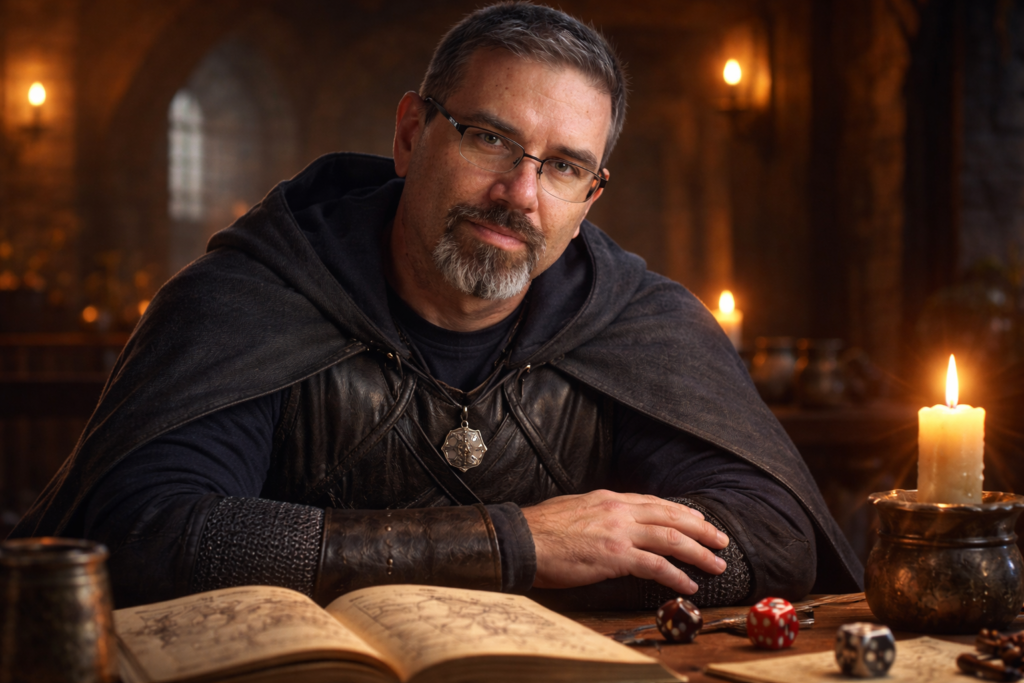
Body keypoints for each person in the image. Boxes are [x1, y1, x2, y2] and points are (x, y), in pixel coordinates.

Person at [10, 2, 862, 609]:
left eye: (563, 166)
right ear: (414, 134)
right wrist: (519, 545)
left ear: (591, 195)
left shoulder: (641, 324)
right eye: (491, 137)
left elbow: (774, 536)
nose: (520, 194)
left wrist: (567, 558)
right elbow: (147, 535)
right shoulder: (251, 297)